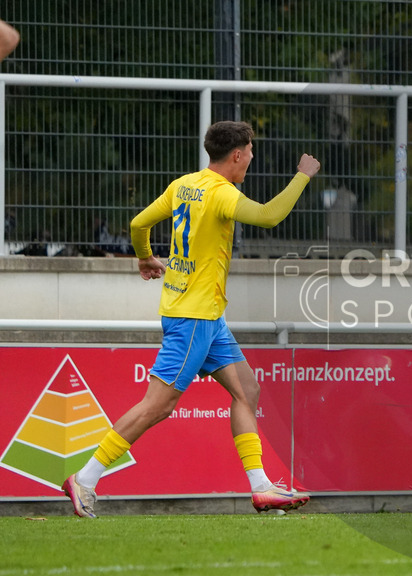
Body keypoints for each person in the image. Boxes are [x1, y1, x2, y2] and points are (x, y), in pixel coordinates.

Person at [62, 121, 321, 517]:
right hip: (193, 319)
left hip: (205, 317)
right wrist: (303, 177)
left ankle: (261, 486)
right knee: (157, 407)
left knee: (246, 391)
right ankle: (84, 479)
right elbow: (270, 216)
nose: (251, 158)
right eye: (250, 152)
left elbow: (137, 224)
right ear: (237, 154)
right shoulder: (221, 194)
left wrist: (145, 256)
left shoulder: (184, 184)